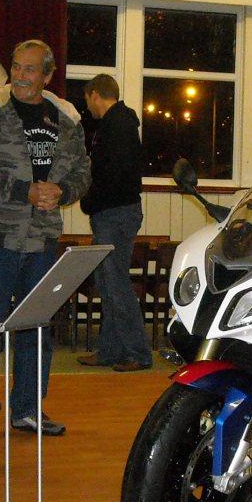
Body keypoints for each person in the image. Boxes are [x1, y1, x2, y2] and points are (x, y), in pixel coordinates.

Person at [0, 39, 90, 443]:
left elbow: (83, 172)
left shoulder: (66, 118)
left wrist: (64, 192)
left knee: (37, 329)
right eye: (16, 67)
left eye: (30, 69)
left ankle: (28, 411)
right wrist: (25, 192)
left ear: (48, 75)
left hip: (41, 243)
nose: (20, 75)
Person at [76, 74, 152, 372]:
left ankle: (137, 353)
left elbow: (112, 174)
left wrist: (89, 200)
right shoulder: (119, 124)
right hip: (116, 212)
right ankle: (110, 349)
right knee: (107, 282)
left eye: (87, 100)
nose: (88, 107)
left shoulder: (115, 125)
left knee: (115, 283)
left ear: (95, 94)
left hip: (115, 213)